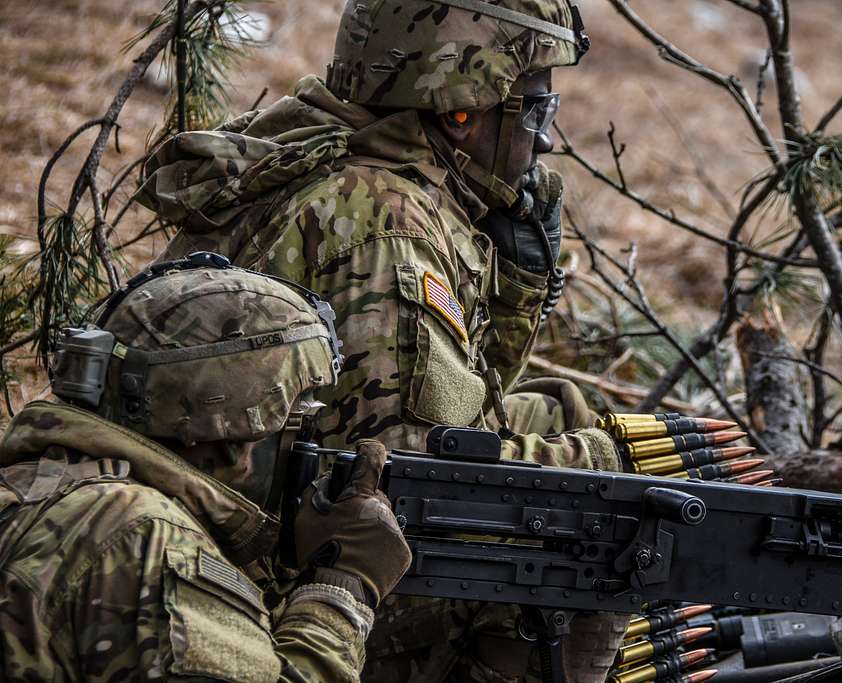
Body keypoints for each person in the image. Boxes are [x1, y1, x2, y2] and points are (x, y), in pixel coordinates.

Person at [138, 1, 630, 679]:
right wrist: (605, 461)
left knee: (564, 408)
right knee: (586, 559)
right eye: (535, 112)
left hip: (252, 527)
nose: (544, 142)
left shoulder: (344, 156)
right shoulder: (382, 221)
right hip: (281, 587)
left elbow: (459, 400)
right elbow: (407, 479)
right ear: (462, 110)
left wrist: (514, 287)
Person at [0, 253, 411, 682]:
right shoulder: (150, 540)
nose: (304, 445)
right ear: (235, 433)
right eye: (296, 423)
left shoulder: (32, 486)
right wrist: (339, 591)